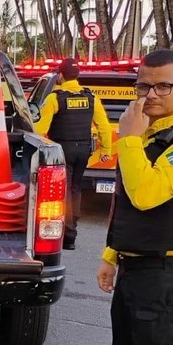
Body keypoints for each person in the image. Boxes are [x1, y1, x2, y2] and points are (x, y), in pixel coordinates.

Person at [96, 49, 173, 345]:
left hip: (165, 279)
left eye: (163, 86)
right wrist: (111, 255)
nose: (151, 95)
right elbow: (125, 202)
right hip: (132, 273)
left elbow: (146, 195)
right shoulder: (148, 138)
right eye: (143, 87)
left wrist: (129, 140)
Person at [35, 58, 112, 250]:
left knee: (64, 192)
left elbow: (40, 129)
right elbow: (103, 126)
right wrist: (106, 150)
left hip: (63, 150)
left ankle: (68, 235)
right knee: (75, 188)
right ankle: (72, 228)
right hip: (83, 150)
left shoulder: (55, 98)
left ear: (60, 76)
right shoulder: (91, 98)